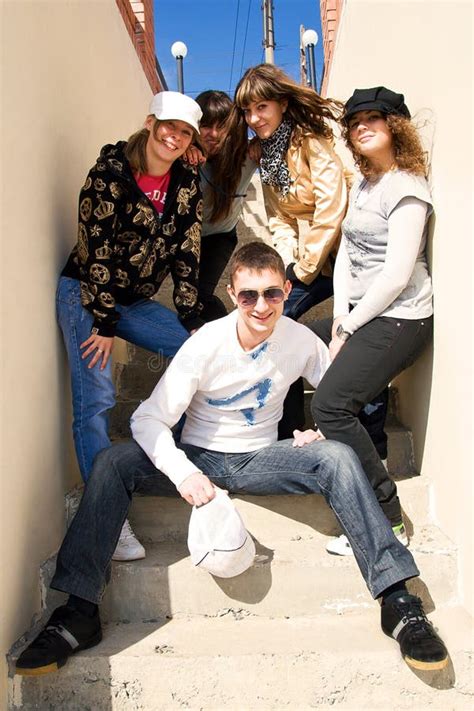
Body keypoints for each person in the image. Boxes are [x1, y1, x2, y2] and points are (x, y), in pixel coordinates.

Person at [16, 242, 447, 676]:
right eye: (248, 296)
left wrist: (323, 427)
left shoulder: (298, 340)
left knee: (335, 456)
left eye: (273, 294)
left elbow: (336, 394)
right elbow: (147, 420)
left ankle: (398, 601)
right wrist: (184, 473)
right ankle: (78, 612)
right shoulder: (206, 344)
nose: (261, 307)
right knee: (111, 463)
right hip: (200, 455)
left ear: (286, 289)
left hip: (261, 456)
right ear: (232, 292)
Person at [56, 91, 205, 561]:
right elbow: (95, 247)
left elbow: (187, 252)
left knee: (193, 349)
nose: (174, 137)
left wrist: (191, 316)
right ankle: (110, 517)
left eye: (184, 132)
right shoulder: (109, 173)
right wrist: (102, 322)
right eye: (168, 126)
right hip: (85, 294)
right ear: (149, 122)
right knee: (97, 398)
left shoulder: (186, 183)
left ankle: (177, 451)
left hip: (133, 301)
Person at [304, 87, 434, 556]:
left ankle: (387, 517)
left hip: (401, 319)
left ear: (395, 126)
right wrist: (339, 317)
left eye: (373, 118)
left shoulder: (407, 187)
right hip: (361, 314)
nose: (361, 125)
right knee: (290, 338)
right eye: (354, 121)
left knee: (331, 406)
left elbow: (397, 275)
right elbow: (346, 256)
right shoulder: (363, 185)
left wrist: (350, 327)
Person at [229, 63, 348, 322]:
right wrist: (286, 266)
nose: (254, 119)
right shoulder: (267, 154)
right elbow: (279, 218)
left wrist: (303, 269)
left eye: (262, 107)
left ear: (282, 104)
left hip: (355, 248)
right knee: (274, 311)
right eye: (247, 111)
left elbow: (332, 205)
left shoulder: (308, 138)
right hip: (326, 257)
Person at [194, 90, 257, 322]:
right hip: (186, 238)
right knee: (192, 297)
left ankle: (227, 337)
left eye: (221, 126)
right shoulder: (184, 155)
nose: (213, 134)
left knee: (201, 295)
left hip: (220, 237)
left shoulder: (245, 155)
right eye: (205, 126)